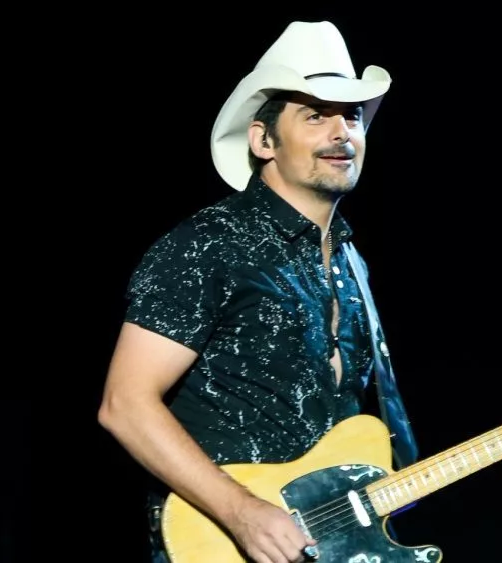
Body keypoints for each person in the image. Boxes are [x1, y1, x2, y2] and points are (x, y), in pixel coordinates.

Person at [97, 20, 418, 563]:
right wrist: (242, 512)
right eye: (315, 115)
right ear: (263, 140)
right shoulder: (209, 244)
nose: (341, 132)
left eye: (352, 116)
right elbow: (124, 405)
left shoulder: (350, 262)